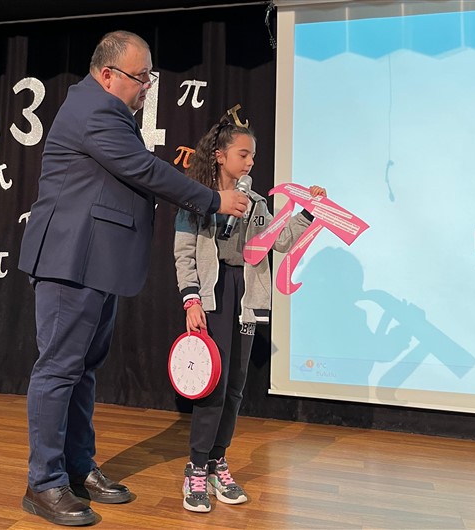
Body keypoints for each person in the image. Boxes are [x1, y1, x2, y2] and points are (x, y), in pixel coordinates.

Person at [17, 31, 250, 527]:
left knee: (83, 369)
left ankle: (77, 466)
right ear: (108, 75)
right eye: (141, 76)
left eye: (149, 76)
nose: (147, 85)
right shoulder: (94, 110)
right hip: (70, 259)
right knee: (59, 369)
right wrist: (213, 199)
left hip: (94, 261)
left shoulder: (108, 111)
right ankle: (44, 482)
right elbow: (144, 170)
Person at [173, 114, 326, 513]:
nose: (250, 162)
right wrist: (191, 300)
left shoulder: (257, 203)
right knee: (213, 384)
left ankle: (217, 462)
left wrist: (309, 211)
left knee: (236, 386)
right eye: (243, 154)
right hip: (213, 295)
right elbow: (184, 253)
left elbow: (282, 241)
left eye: (253, 156)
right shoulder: (196, 198)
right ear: (220, 156)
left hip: (245, 295)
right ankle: (196, 467)